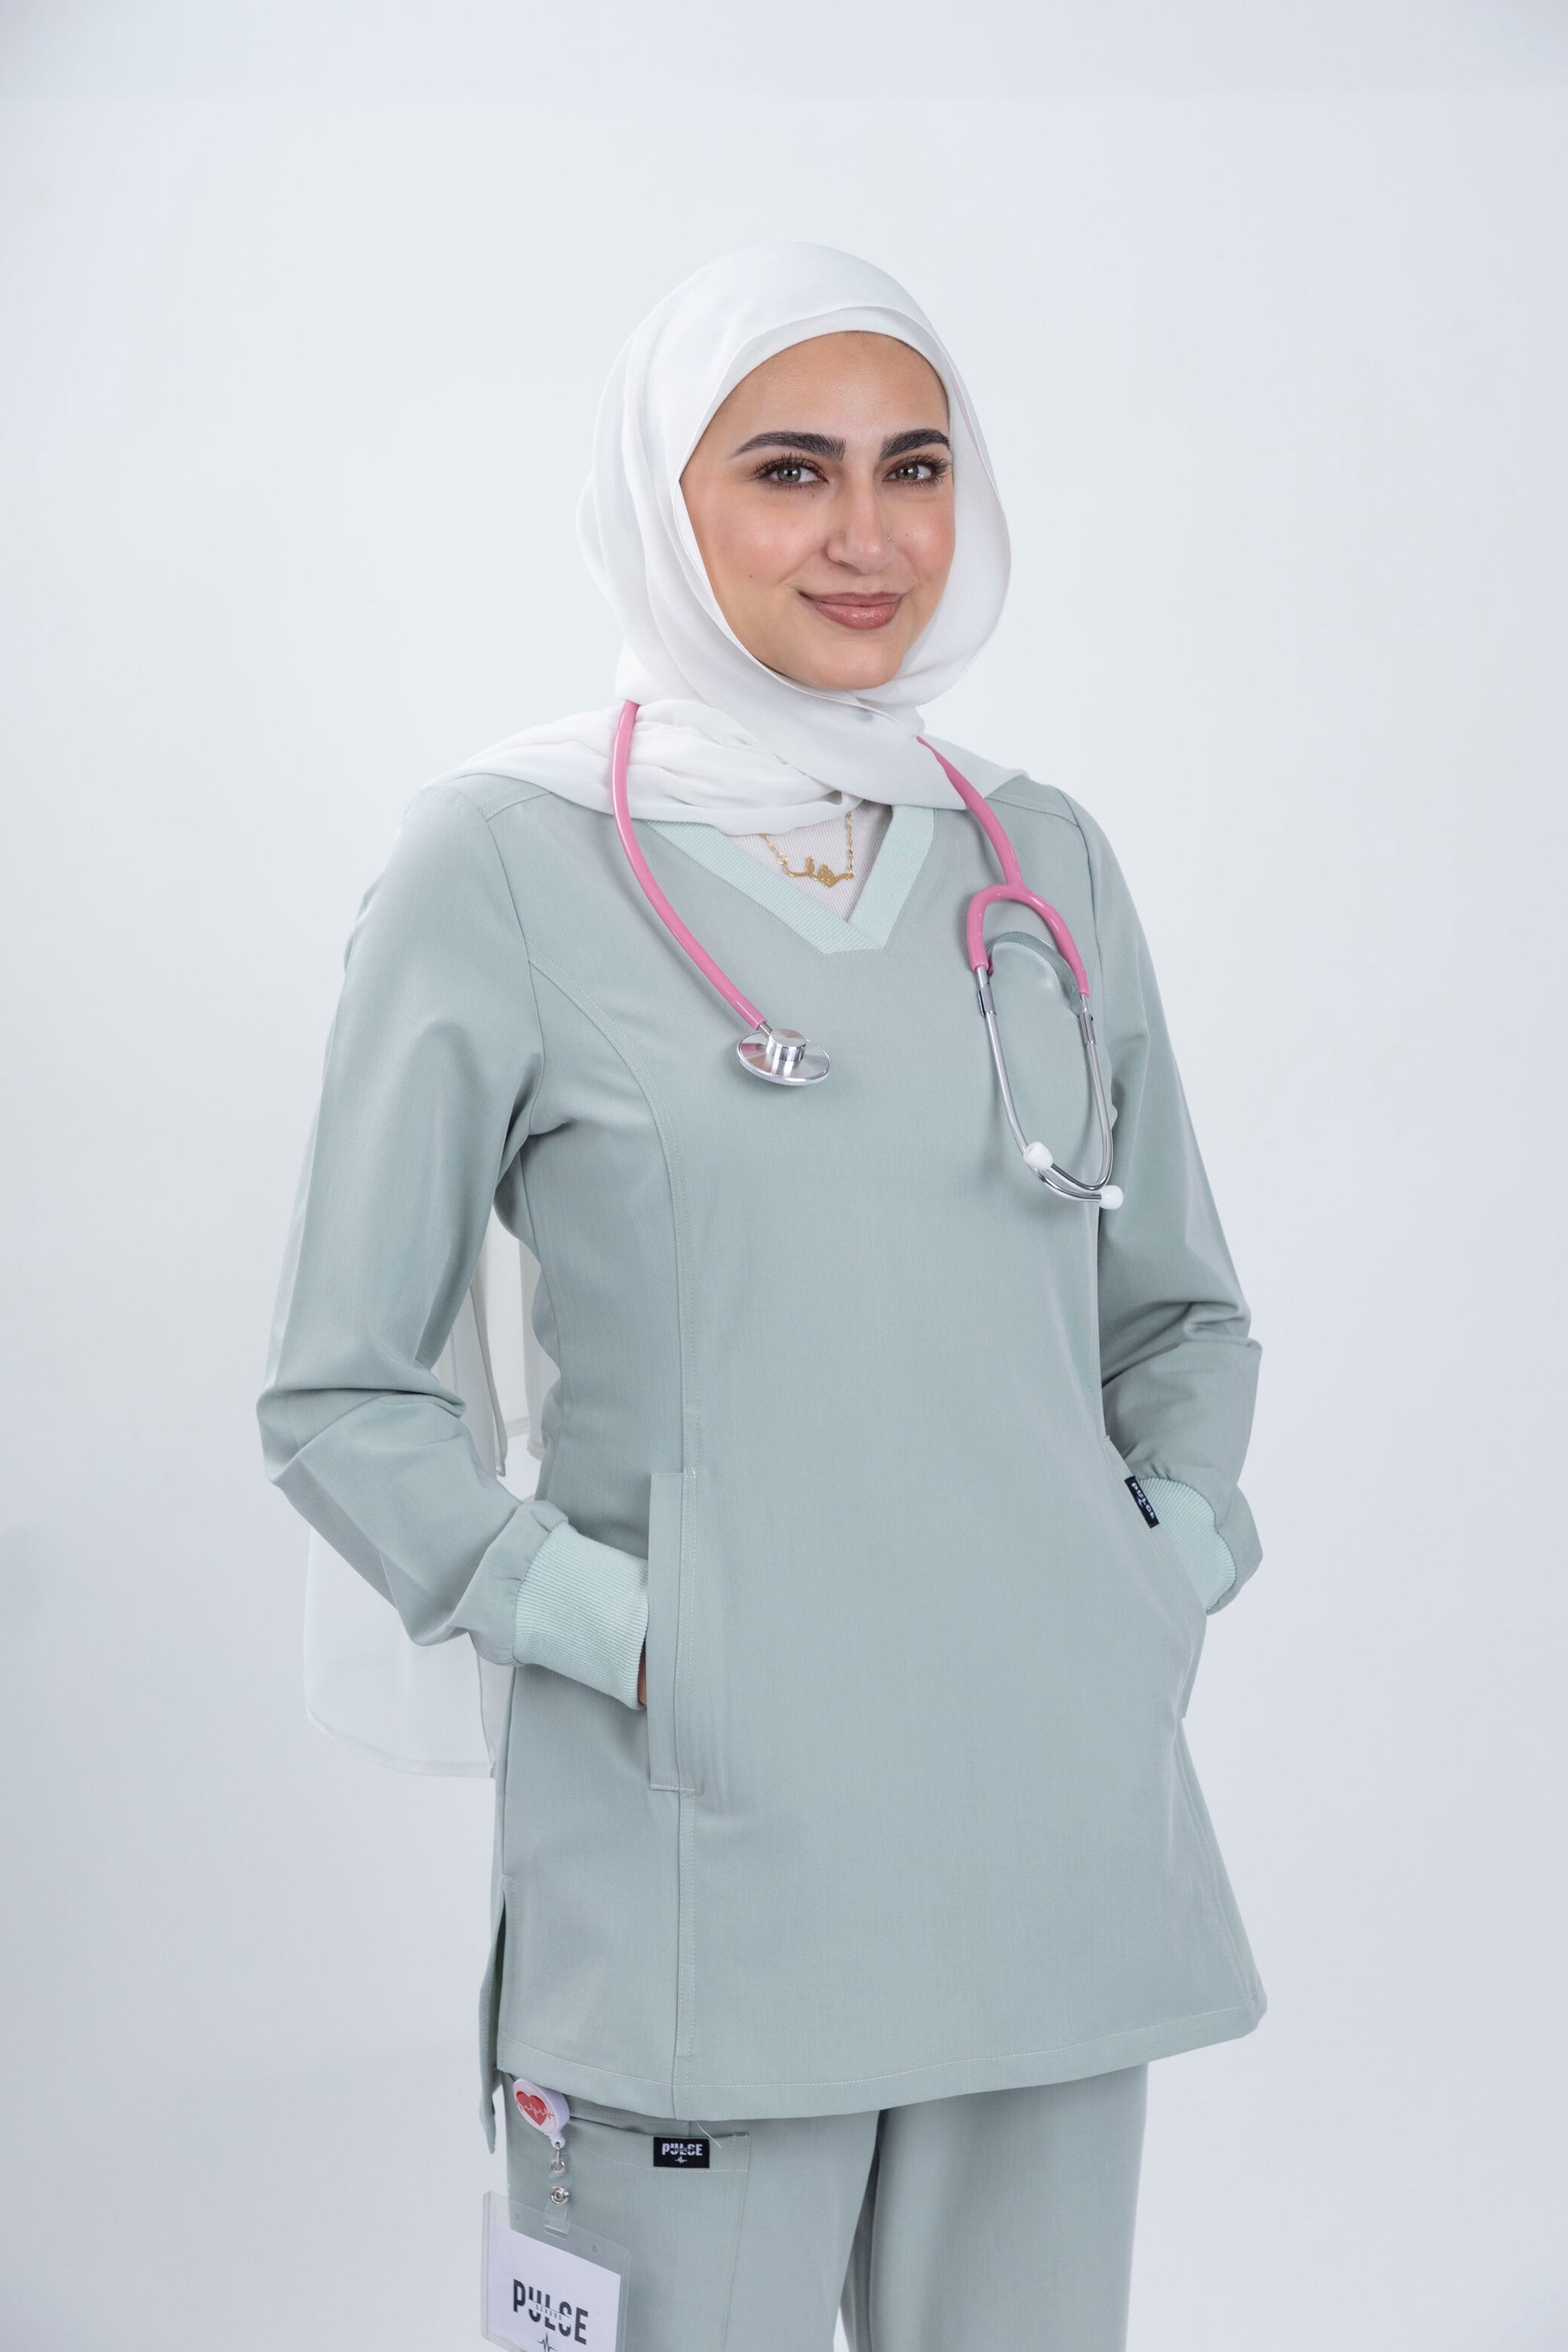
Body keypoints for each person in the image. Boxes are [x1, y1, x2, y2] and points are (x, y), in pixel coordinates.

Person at [258, 243, 1265, 2352]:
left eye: (916, 468)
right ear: (663, 502)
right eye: (790, 470)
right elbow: (344, 1389)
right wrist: (630, 1633)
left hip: (1046, 1845)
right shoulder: (503, 859)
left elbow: (1176, 1313)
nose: (868, 535)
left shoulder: (1039, 862)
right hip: (699, 1860)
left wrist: (1151, 1566)